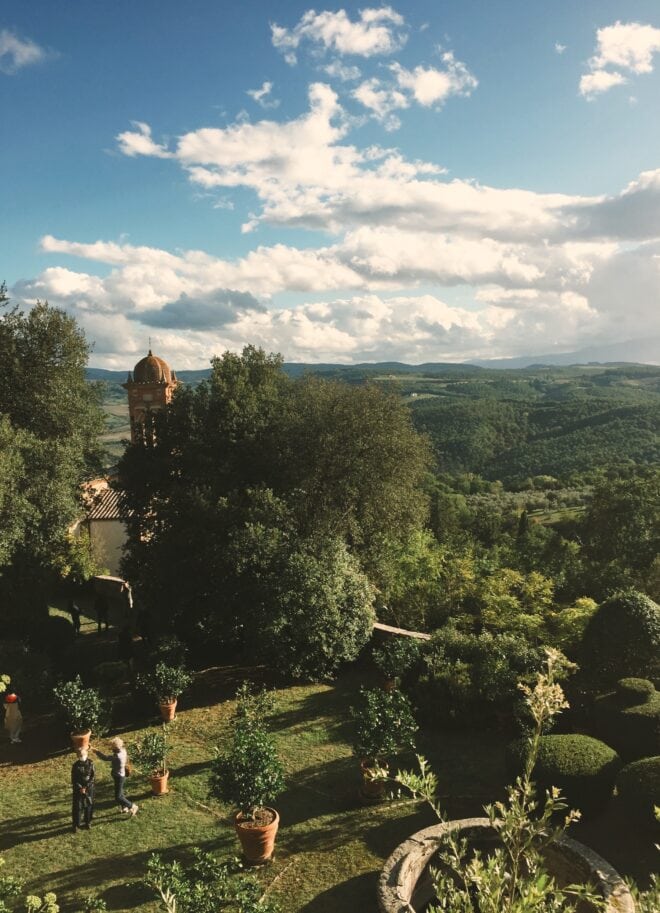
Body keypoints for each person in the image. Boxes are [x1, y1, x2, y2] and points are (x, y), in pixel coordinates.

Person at [92, 736, 138, 816]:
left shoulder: (117, 756)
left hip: (119, 777)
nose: (111, 749)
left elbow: (105, 758)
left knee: (118, 797)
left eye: (112, 747)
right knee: (120, 793)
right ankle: (125, 807)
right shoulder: (123, 751)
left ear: (116, 748)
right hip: (121, 774)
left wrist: (96, 751)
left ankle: (132, 806)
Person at [71, 747, 95, 831]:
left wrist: (86, 787)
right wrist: (80, 788)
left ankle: (88, 822)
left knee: (88, 805)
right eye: (80, 755)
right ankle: (76, 824)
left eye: (84, 755)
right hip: (78, 789)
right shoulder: (75, 766)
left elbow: (92, 777)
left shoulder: (91, 763)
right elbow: (74, 779)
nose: (82, 756)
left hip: (89, 789)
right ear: (78, 756)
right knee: (78, 807)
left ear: (87, 754)